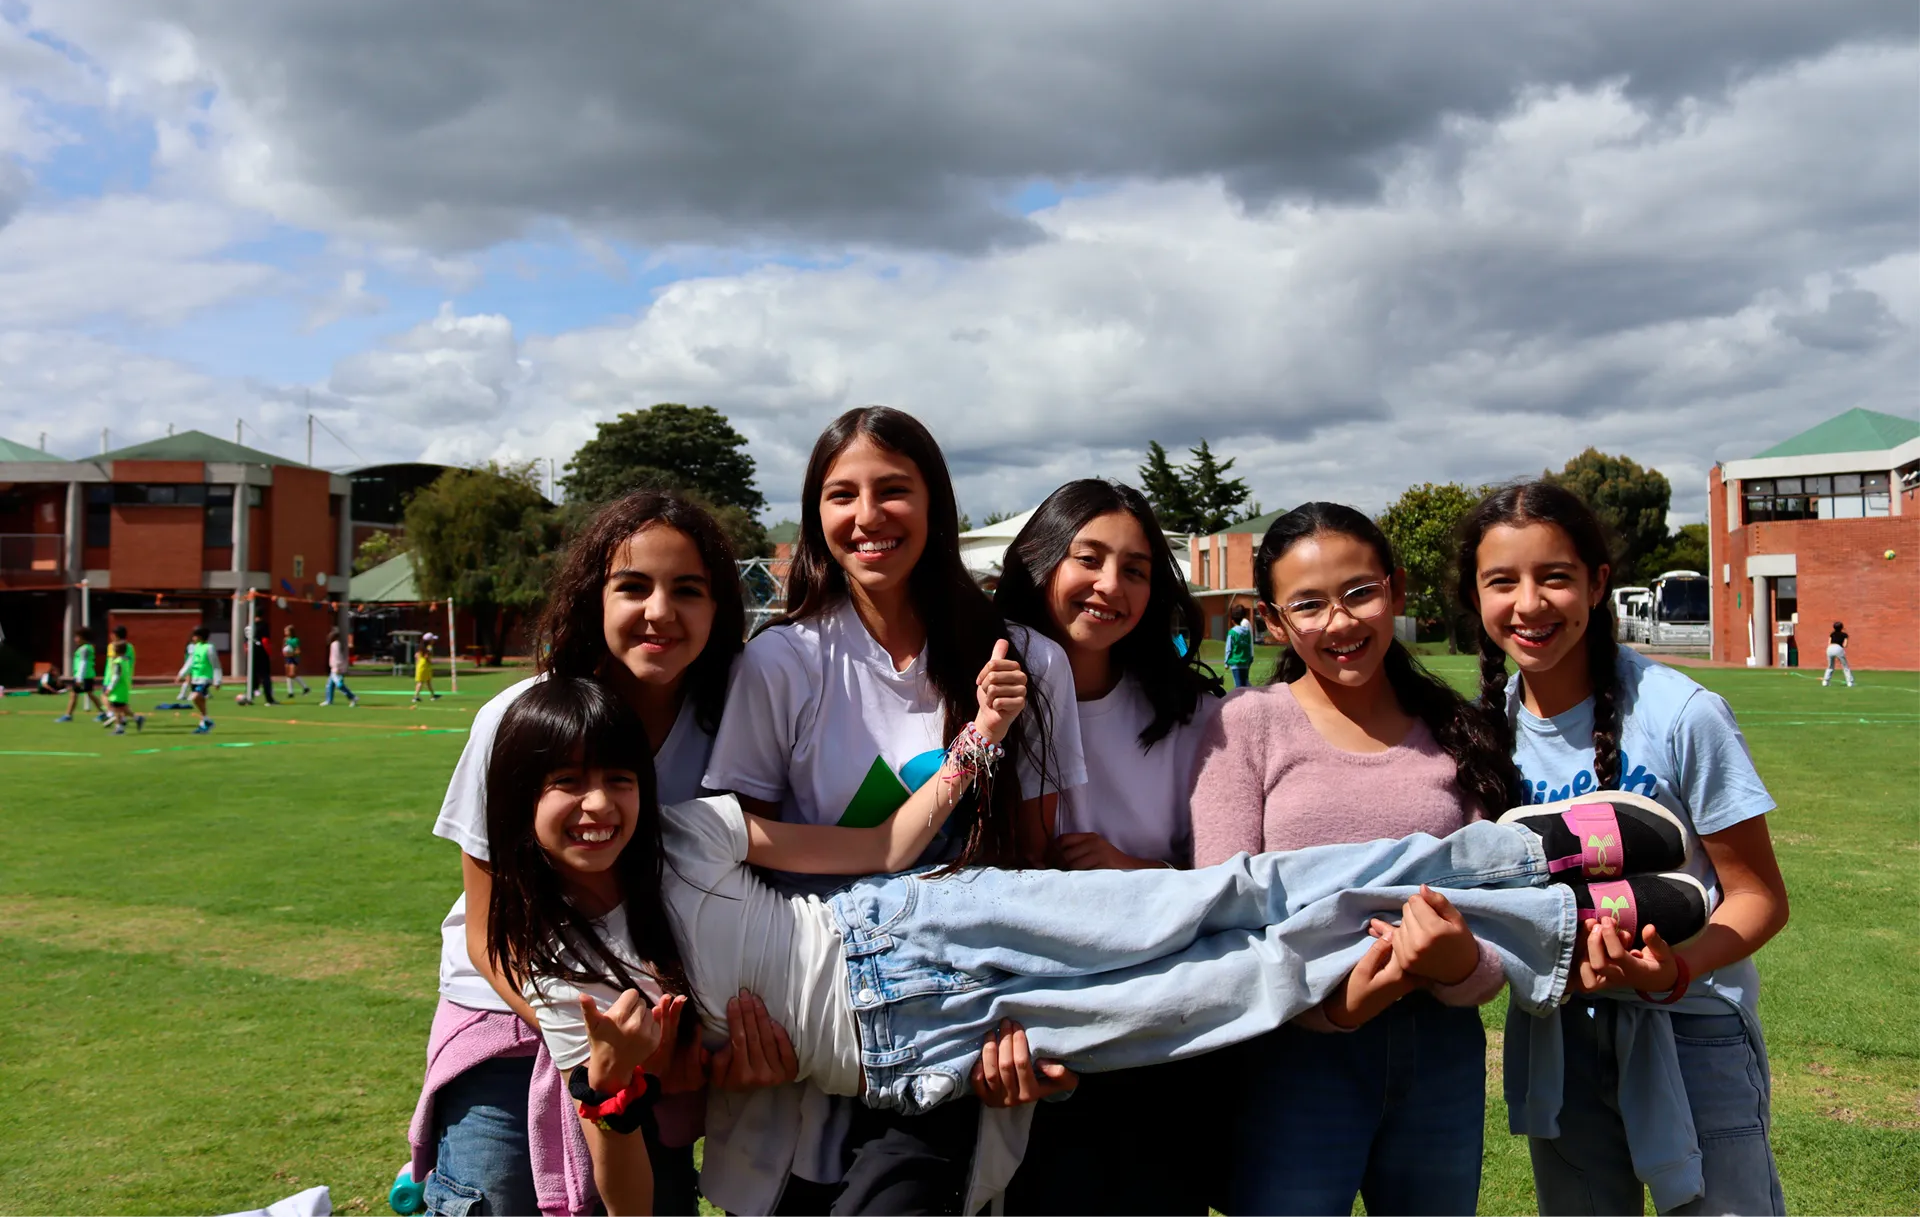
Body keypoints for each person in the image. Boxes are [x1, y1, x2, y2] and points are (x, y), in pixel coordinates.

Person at [489, 675, 1706, 1217]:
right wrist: (625, 1083)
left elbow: (877, 848)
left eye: (612, 780)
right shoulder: (557, 977)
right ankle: (1564, 915)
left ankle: (1516, 853)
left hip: (916, 922)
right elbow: (640, 1170)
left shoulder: (693, 830)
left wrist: (975, 743)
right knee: (1242, 985)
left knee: (1225, 898)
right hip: (916, 1046)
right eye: (564, 789)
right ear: (516, 804)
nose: (596, 808)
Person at [698, 406, 1086, 1216]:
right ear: (816, 516)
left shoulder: (1023, 657)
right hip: (814, 1017)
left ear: (936, 505)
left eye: (893, 491)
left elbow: (1036, 867)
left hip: (957, 1018)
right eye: (842, 495)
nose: (867, 517)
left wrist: (1016, 1016)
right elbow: (743, 858)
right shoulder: (782, 660)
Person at [415, 491, 797, 1217]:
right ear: (594, 597)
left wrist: (672, 1045)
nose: (661, 611)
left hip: (653, 1030)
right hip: (512, 1020)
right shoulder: (520, 717)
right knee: (497, 1199)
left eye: (689, 589)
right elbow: (485, 928)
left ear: (721, 611)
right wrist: (585, 1052)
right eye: (633, 586)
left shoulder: (733, 732)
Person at [1189, 502, 1563, 1215]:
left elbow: (1505, 913)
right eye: (1309, 604)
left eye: (1360, 592)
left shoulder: (1457, 730)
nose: (1341, 622)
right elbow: (1226, 915)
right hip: (1289, 1059)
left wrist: (1459, 964)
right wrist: (1345, 1004)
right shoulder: (1247, 726)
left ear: (1394, 589)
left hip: (1440, 1058)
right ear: (1273, 621)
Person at [1457, 481, 1790, 1216]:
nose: (1530, 603)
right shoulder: (1480, 733)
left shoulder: (1682, 714)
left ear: (1598, 582)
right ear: (1475, 595)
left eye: (1555, 576)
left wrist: (1676, 968)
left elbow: (1760, 896)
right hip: (1558, 1037)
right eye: (1502, 581)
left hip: (1692, 1029)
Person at [989, 478, 1225, 1215]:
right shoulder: (983, 702)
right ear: (1039, 564)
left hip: (1160, 1028)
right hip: (1033, 1027)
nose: (1110, 586)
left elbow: (1226, 873)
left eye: (1136, 568)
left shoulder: (1193, 714)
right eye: (1087, 559)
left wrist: (1136, 872)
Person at [55, 627, 107, 723]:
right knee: (89, 694)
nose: (75, 639)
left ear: (83, 638)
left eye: (77, 637)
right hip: (87, 676)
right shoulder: (88, 648)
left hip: (83, 677)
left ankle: (68, 715)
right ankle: (102, 713)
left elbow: (83, 663)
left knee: (74, 694)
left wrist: (79, 678)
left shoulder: (84, 649)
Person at [176, 626, 221, 734]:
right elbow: (190, 662)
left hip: (205, 678)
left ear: (200, 637)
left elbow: (216, 665)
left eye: (195, 636)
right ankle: (205, 722)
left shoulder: (209, 648)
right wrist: (181, 674)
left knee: (196, 697)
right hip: (195, 679)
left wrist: (217, 680)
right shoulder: (196, 647)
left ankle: (205, 720)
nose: (193, 638)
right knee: (200, 700)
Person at [103, 637, 144, 735]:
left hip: (118, 689)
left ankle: (119, 728)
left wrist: (110, 688)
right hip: (124, 688)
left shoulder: (117, 662)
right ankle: (137, 718)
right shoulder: (126, 661)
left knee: (116, 709)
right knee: (123, 708)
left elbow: (116, 677)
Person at [242, 623, 277, 706]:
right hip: (261, 654)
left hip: (251, 655)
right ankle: (269, 699)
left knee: (252, 676)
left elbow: (245, 643)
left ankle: (249, 697)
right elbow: (265, 641)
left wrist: (247, 653)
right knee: (265, 676)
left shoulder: (248, 626)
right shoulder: (263, 626)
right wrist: (269, 653)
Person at [321, 632, 359, 706]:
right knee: (330, 685)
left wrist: (337, 667)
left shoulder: (335, 644)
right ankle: (329, 700)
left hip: (336, 668)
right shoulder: (335, 644)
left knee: (339, 685)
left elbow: (337, 656)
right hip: (334, 668)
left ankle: (353, 697)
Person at [1224, 602, 1255, 688]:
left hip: (1236, 663)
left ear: (1232, 620)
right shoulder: (1246, 632)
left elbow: (1228, 648)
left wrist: (1226, 662)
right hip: (1245, 662)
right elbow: (1248, 646)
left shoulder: (1232, 633)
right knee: (1245, 684)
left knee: (1238, 687)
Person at [1820, 620, 1854, 688]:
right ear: (1842, 627)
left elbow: (1829, 643)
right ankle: (1850, 682)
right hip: (1838, 648)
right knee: (1845, 666)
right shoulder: (1845, 635)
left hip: (1829, 649)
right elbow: (1845, 645)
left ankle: (1825, 681)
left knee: (1830, 666)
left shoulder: (1832, 634)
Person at [413, 632, 441, 706]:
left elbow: (416, 656)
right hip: (424, 666)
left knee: (428, 681)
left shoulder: (420, 647)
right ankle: (415, 696)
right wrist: (432, 662)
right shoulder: (428, 648)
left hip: (421, 665)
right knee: (421, 682)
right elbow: (426, 656)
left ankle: (433, 695)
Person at [283, 625, 312, 696]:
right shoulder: (285, 639)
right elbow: (284, 649)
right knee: (288, 675)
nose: (285, 632)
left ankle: (305, 688)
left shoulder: (295, 640)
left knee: (292, 674)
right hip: (288, 658)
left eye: (287, 631)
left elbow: (298, 651)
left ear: (291, 632)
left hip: (294, 658)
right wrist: (285, 653)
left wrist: (291, 653)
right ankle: (291, 692)